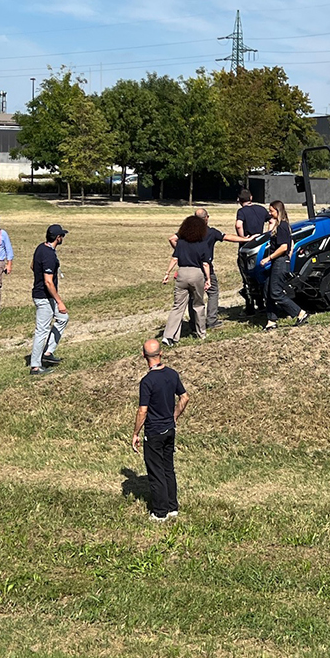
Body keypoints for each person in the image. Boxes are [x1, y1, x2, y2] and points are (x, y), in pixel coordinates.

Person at [130, 338, 188, 522]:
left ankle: (160, 512)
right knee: (168, 468)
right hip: (170, 429)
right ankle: (172, 507)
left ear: (143, 355)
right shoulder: (172, 374)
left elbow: (143, 410)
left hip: (154, 432)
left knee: (155, 471)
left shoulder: (147, 381)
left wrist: (135, 433)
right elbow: (185, 398)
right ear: (161, 353)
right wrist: (174, 416)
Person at [161, 213, 214, 345]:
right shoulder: (202, 244)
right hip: (196, 273)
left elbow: (174, 258)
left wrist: (167, 273)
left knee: (178, 306)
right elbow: (205, 264)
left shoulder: (181, 243)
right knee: (198, 304)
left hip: (182, 273)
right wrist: (208, 279)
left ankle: (169, 336)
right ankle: (201, 333)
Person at [259, 201, 311, 330]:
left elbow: (283, 247)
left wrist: (268, 258)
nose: (269, 213)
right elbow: (291, 243)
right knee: (267, 290)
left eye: (271, 211)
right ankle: (271, 321)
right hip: (278, 262)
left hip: (280, 263)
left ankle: (300, 313)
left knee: (276, 292)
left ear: (278, 211)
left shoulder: (282, 226)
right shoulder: (281, 226)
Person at [30, 225, 69, 374]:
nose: (63, 238)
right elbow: (48, 282)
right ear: (58, 238)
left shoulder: (41, 247)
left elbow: (32, 265)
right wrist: (59, 301)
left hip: (45, 296)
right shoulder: (49, 256)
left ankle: (48, 353)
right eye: (62, 236)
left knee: (63, 318)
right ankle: (35, 366)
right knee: (42, 330)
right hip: (44, 298)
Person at [234, 190, 271, 317]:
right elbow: (271, 220)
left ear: (239, 201)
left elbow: (238, 225)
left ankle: (250, 307)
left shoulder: (241, 212)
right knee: (259, 274)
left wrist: (243, 238)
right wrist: (267, 234)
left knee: (247, 278)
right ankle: (261, 304)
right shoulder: (261, 209)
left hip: (247, 247)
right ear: (251, 197)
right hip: (260, 245)